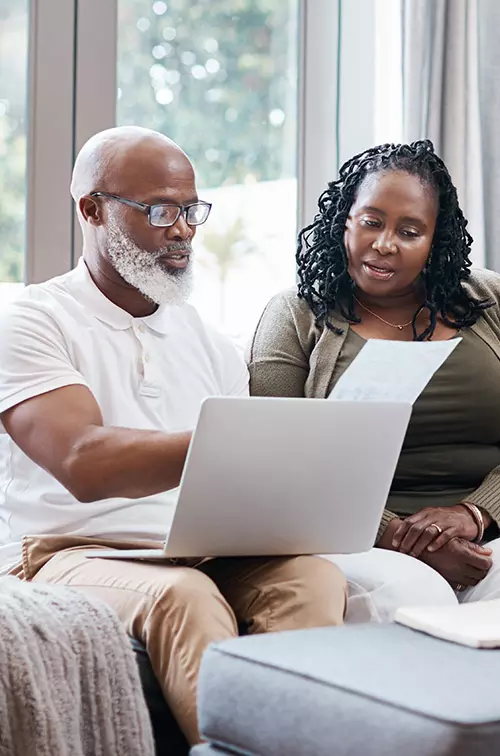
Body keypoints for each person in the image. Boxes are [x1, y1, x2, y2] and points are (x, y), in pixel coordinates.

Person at [0, 126, 346, 745]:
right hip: (69, 551)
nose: (183, 229)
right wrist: (233, 443)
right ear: (92, 209)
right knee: (183, 597)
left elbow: (242, 484)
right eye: (160, 210)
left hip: (200, 546)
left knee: (312, 577)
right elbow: (83, 462)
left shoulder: (207, 343)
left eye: (191, 210)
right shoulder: (33, 320)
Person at [249, 139, 500, 622]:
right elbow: (278, 460)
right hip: (353, 538)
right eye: (371, 222)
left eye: (410, 231)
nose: (385, 243)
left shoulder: (488, 301)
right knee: (414, 597)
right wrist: (401, 536)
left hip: (485, 533)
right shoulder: (296, 315)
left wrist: (475, 515)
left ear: (435, 242)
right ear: (344, 220)